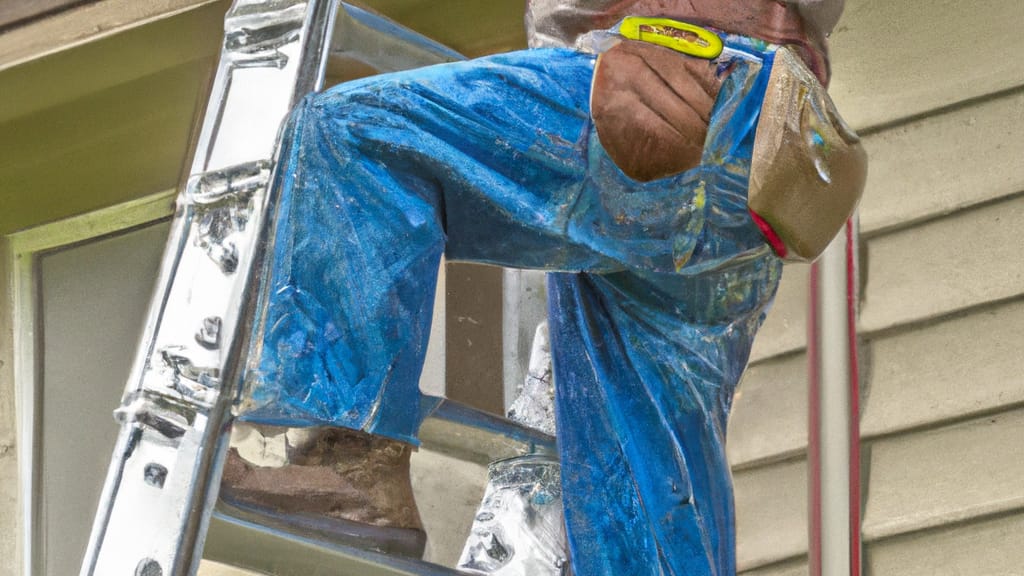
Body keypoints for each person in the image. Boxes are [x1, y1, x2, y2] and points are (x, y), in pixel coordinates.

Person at [220, 1, 861, 573]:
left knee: (357, 139)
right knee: (650, 449)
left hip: (666, 79)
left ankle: (344, 469)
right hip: (768, 138)